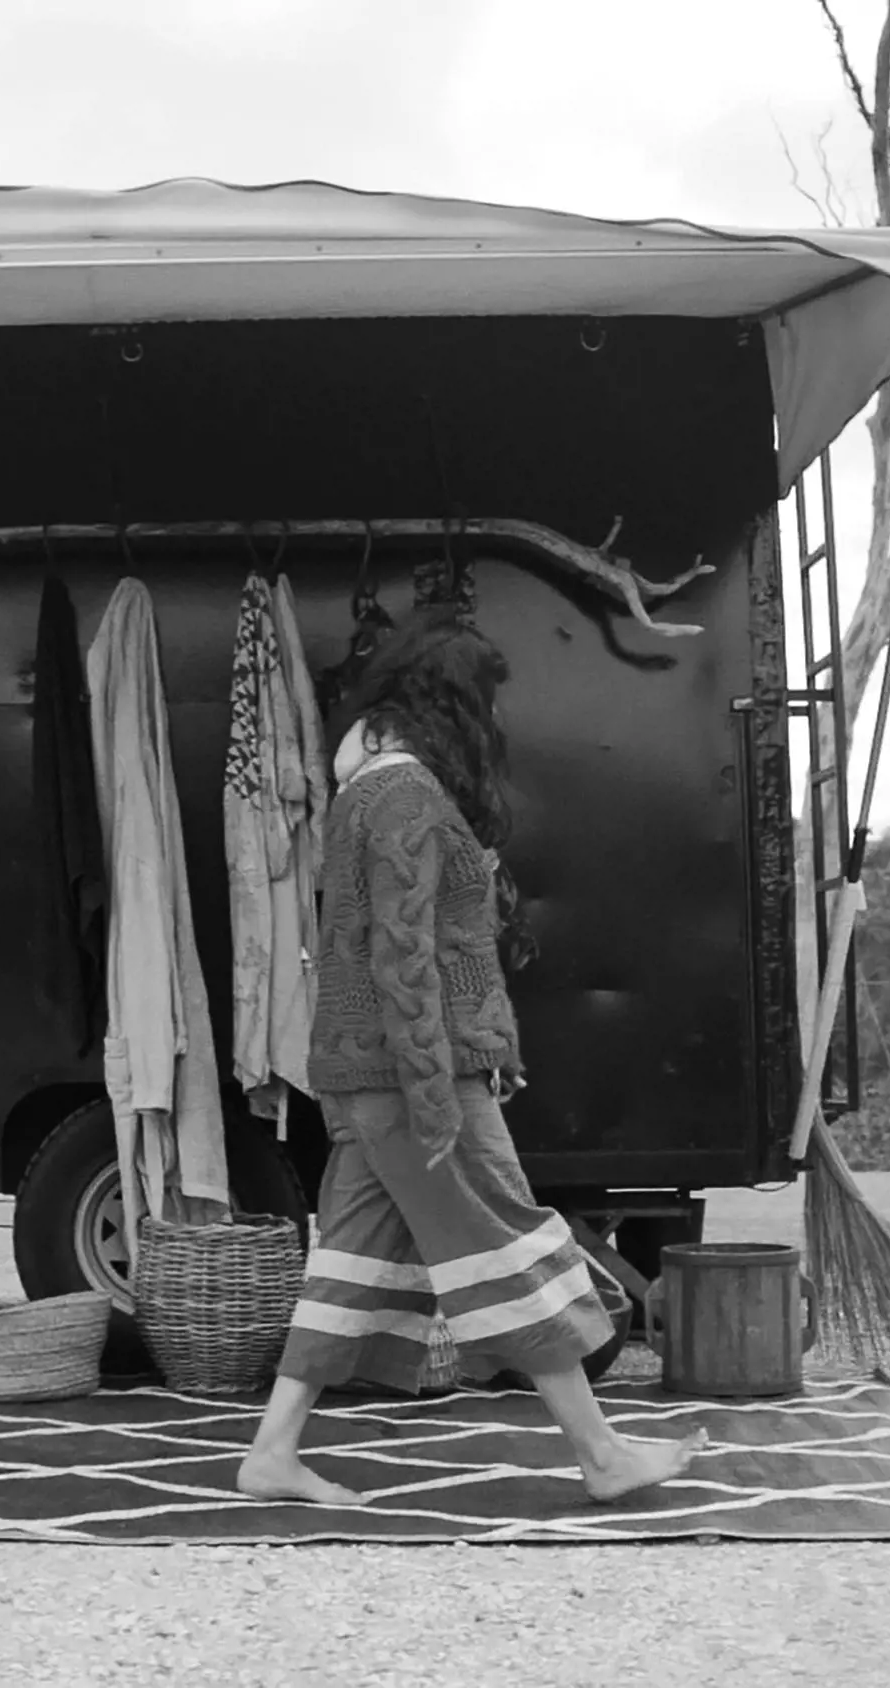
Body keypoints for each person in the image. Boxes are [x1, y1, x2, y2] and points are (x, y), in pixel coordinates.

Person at [237, 610, 706, 1507]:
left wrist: (482, 1047)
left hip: (370, 1074)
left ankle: (272, 1452)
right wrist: (438, 1092)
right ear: (453, 704)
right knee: (509, 1245)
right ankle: (602, 1457)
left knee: (354, 1262)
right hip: (412, 1079)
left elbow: (405, 949)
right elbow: (404, 957)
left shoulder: (366, 793)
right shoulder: (407, 797)